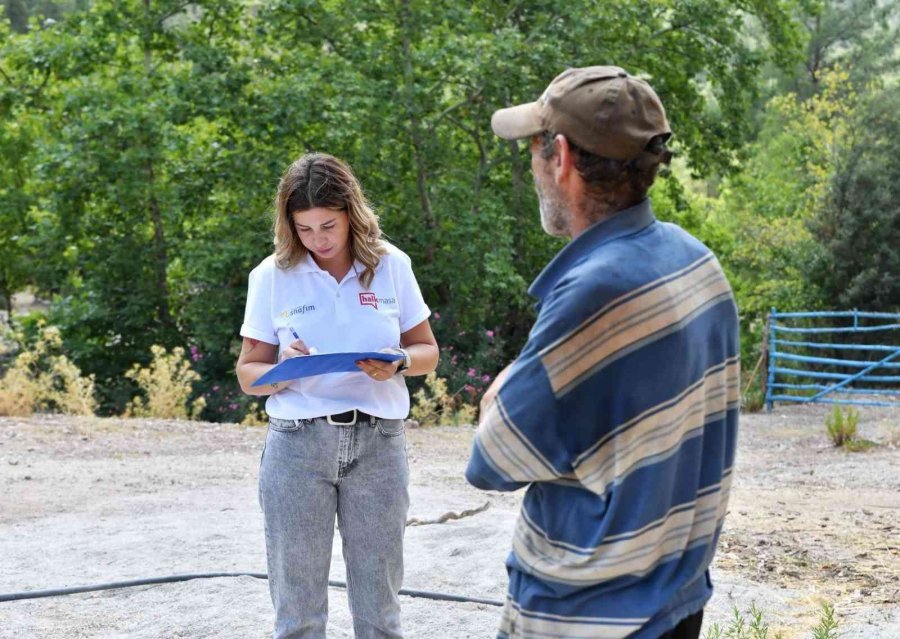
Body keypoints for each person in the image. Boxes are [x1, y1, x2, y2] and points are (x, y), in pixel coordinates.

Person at [465, 66, 740, 639]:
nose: (533, 165)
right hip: (677, 602)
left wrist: (503, 385)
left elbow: (491, 461)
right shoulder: (697, 262)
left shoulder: (593, 294)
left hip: (589, 616)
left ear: (561, 157)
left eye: (534, 148)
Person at [236, 152, 439, 639]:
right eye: (304, 229)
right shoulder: (271, 274)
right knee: (298, 613)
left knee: (379, 611)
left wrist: (399, 362)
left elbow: (427, 351)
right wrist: (282, 371)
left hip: (379, 445)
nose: (318, 240)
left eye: (328, 225)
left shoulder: (391, 265)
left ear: (352, 213)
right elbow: (248, 374)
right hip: (297, 447)